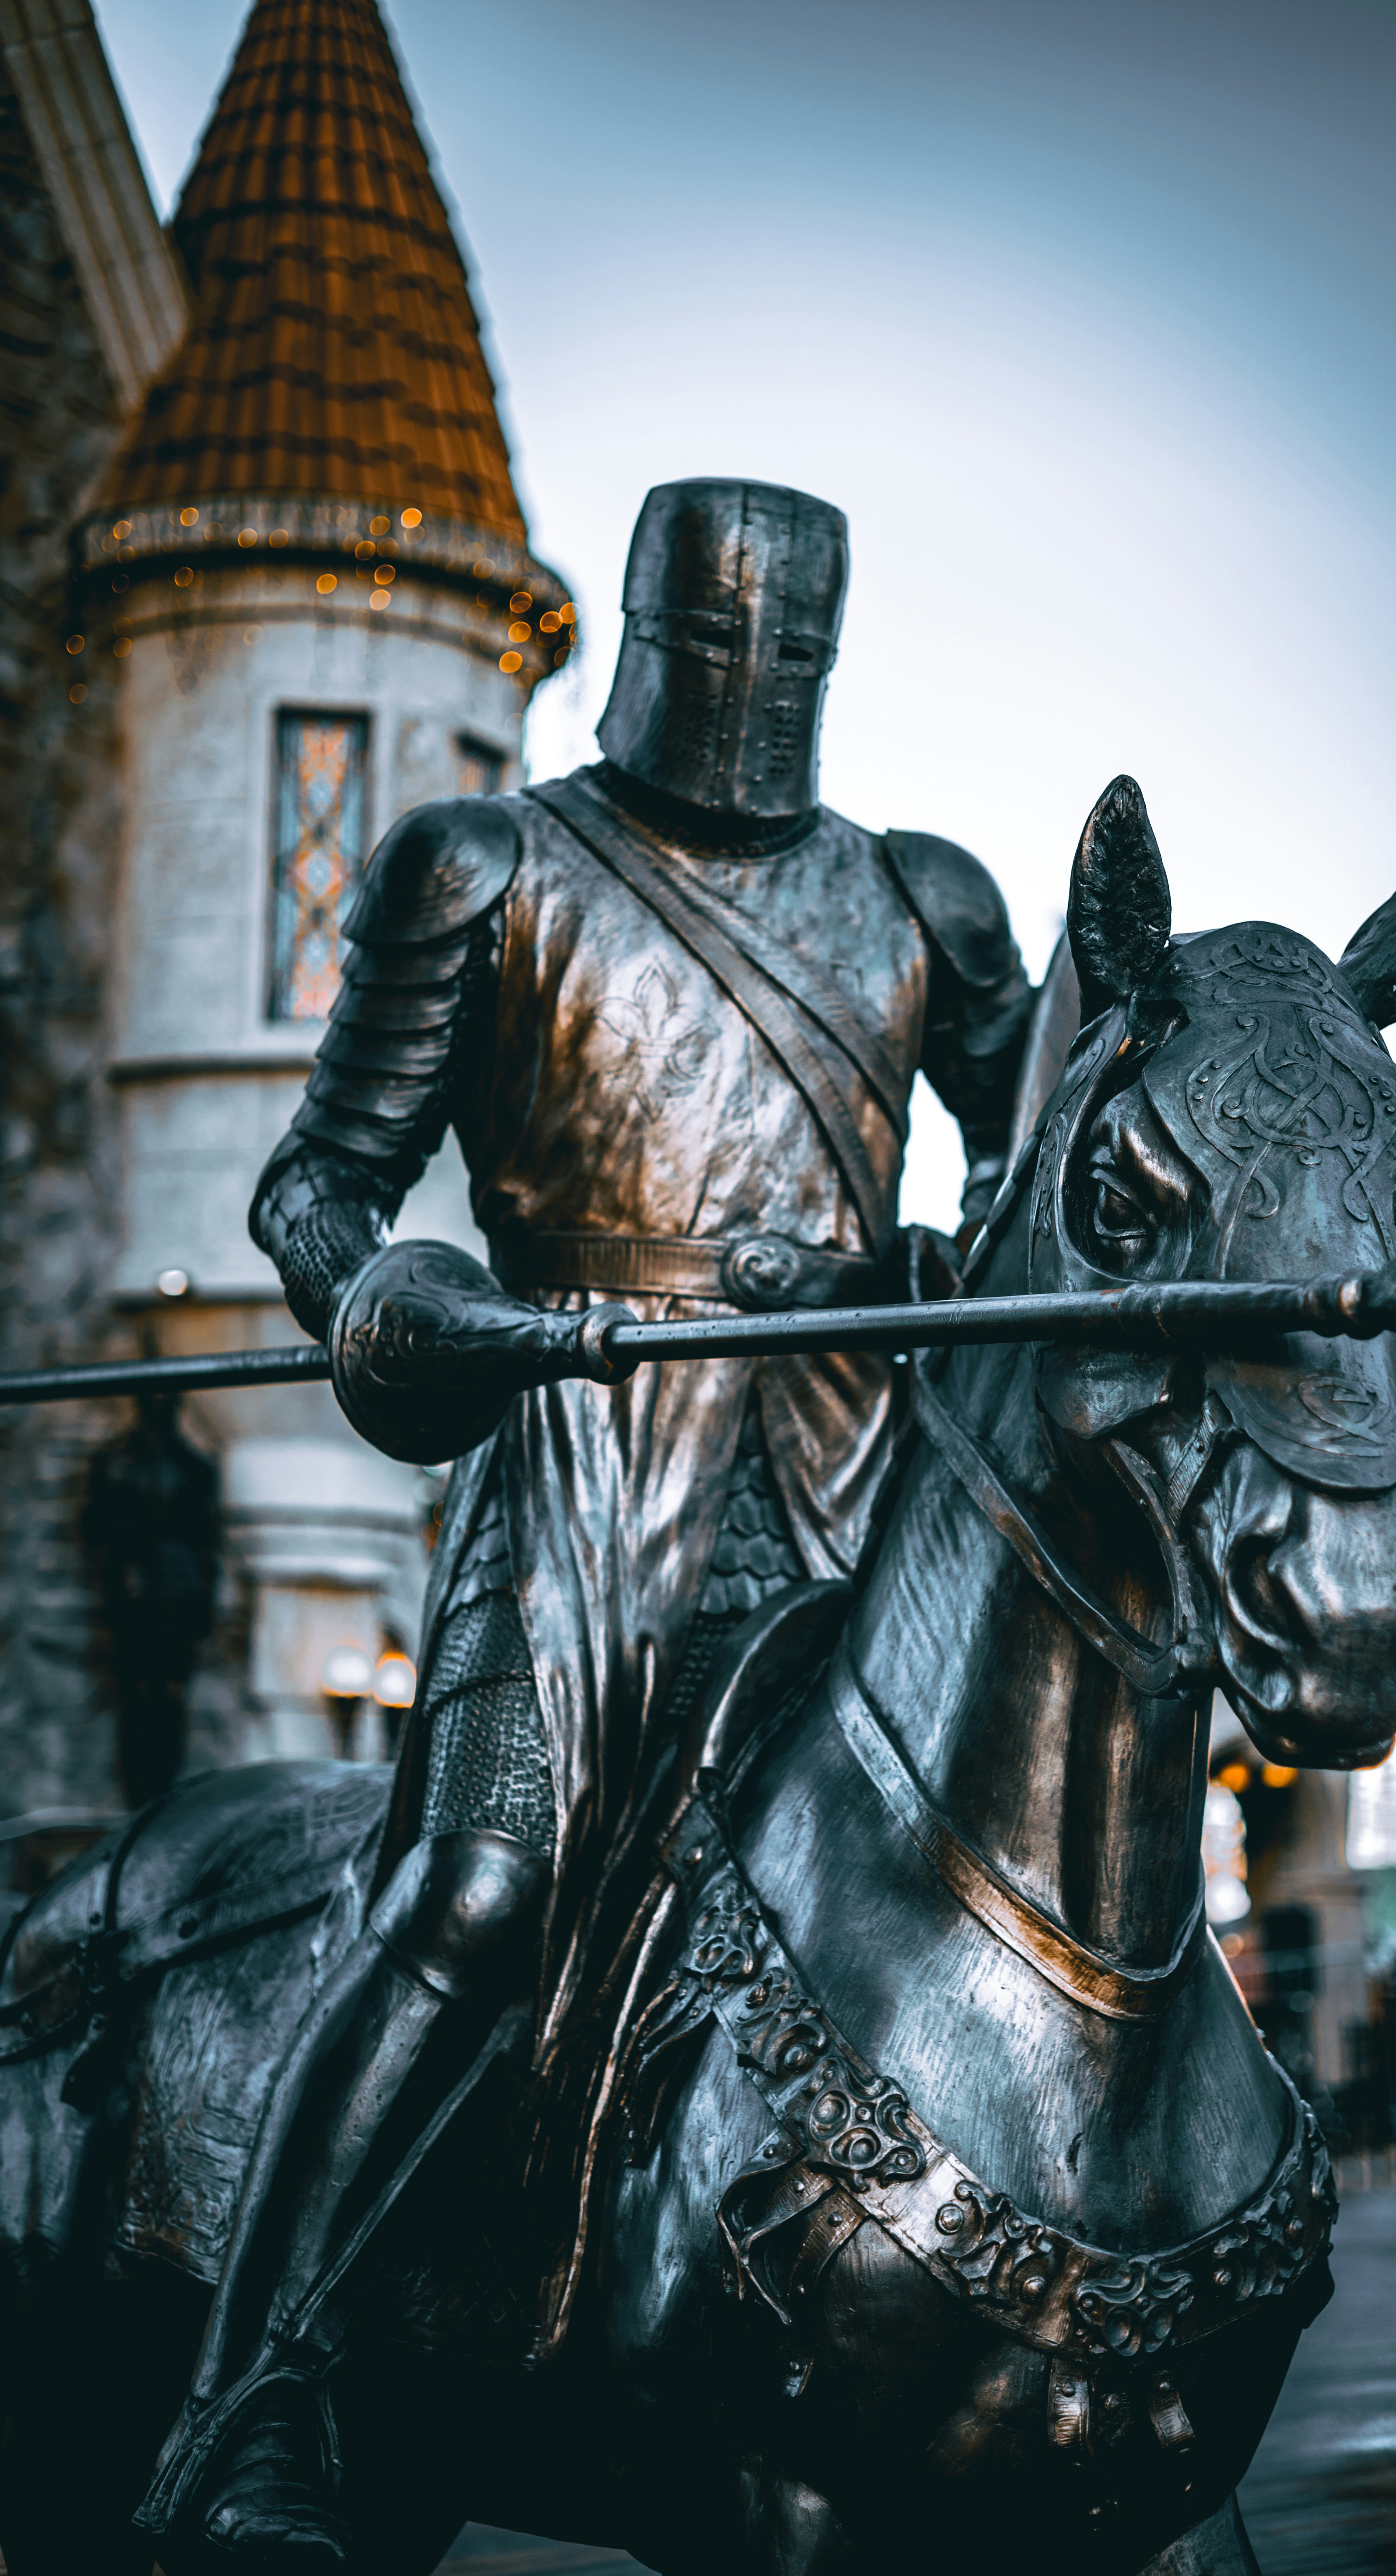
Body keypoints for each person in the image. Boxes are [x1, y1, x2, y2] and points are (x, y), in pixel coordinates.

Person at [140, 477, 1033, 2565]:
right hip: (572, 1489)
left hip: (845, 1499)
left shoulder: (922, 906)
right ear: (642, 627)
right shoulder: (488, 866)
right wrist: (392, 1294)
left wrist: (915, 1271)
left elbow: (1041, 1180)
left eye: (788, 652)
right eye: (713, 642)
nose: (749, 685)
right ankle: (254, 2396)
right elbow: (319, 1186)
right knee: (468, 1896)